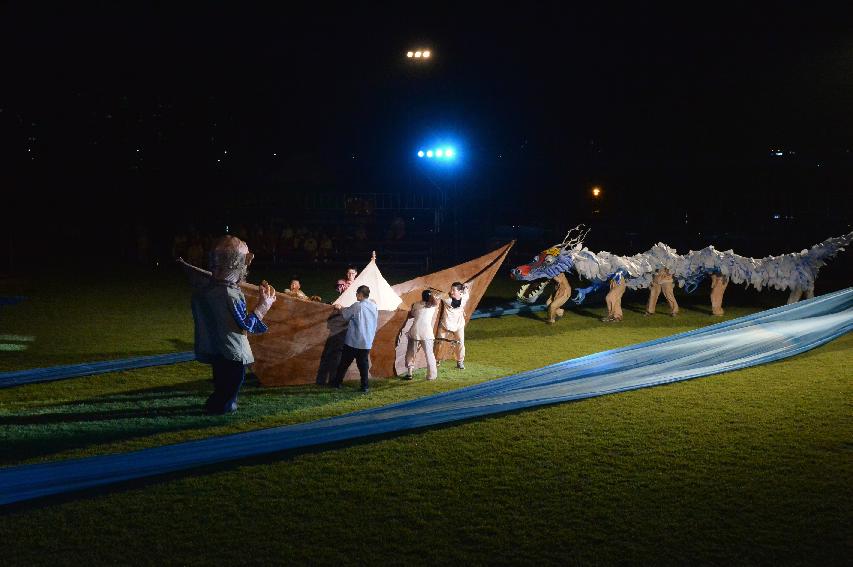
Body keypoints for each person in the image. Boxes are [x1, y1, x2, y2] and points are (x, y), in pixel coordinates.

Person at [191, 235, 276, 414]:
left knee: (220, 378)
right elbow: (245, 324)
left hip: (216, 348)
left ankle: (217, 401)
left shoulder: (208, 289)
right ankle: (224, 405)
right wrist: (263, 306)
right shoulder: (229, 294)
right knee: (234, 378)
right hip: (232, 349)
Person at [331, 285, 378, 392]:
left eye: (357, 293)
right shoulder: (374, 306)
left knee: (344, 363)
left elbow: (345, 315)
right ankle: (364, 386)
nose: (356, 295)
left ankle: (337, 383)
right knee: (363, 366)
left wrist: (339, 308)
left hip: (354, 341)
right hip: (366, 341)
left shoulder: (357, 306)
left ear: (361, 295)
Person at [405, 290, 439, 380]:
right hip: (427, 333)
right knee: (429, 355)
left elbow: (412, 314)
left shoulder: (416, 305)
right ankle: (432, 376)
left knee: (411, 352)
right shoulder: (434, 305)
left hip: (415, 331)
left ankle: (409, 373)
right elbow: (436, 299)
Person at [435, 281, 469, 369]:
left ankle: (460, 361)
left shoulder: (465, 297)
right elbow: (437, 295)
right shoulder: (446, 297)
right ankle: (436, 360)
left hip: (459, 325)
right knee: (439, 343)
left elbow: (466, 290)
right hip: (445, 325)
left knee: (460, 343)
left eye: (454, 290)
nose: (451, 292)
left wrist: (465, 286)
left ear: (460, 292)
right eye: (451, 289)